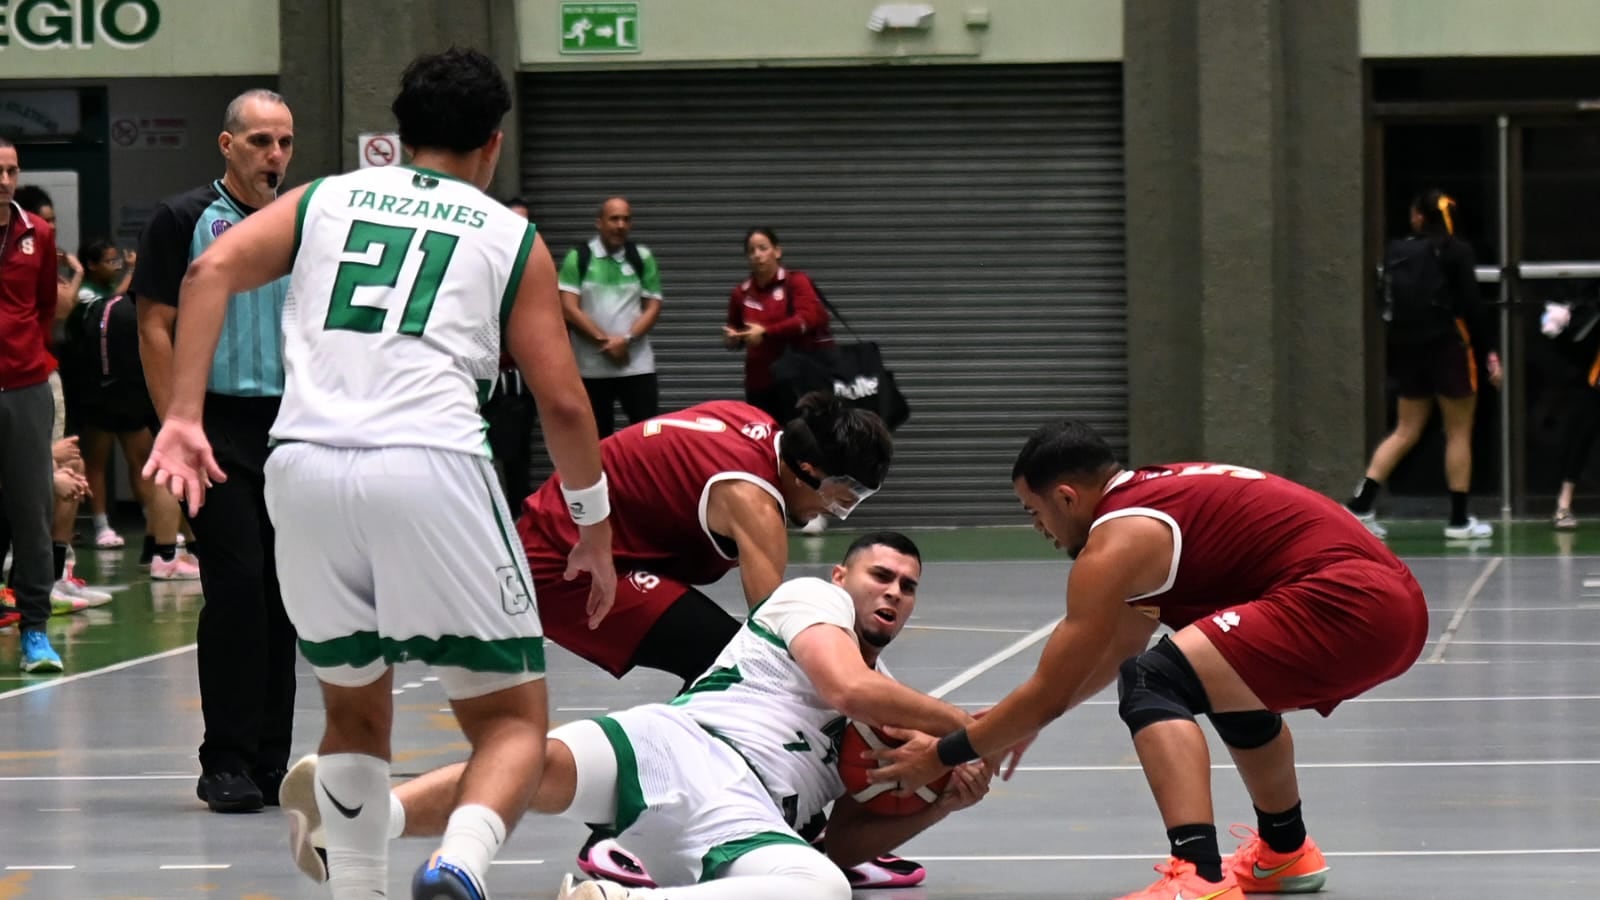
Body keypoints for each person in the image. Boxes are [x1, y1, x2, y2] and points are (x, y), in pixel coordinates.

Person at [143, 48, 615, 900]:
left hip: (304, 468)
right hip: (432, 462)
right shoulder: (509, 234)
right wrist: (594, 524)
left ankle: (358, 888)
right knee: (512, 720)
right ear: (493, 143)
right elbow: (565, 404)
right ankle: (458, 865)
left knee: (355, 707)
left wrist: (181, 414)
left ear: (399, 134)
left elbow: (208, 272)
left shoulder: (324, 197)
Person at [870, 420, 1431, 900]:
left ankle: (1198, 873)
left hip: (1349, 601)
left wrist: (940, 756)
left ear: (1066, 497)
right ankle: (1285, 851)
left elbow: (1059, 687)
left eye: (1034, 512)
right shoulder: (1152, 498)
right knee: (1214, 678)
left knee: (1154, 681)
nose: (1038, 528)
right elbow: (1114, 649)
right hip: (1391, 604)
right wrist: (1014, 725)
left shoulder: (1116, 541)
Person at [281, 533, 992, 900]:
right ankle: (357, 819)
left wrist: (940, 800)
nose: (893, 593)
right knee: (532, 763)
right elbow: (846, 688)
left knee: (821, 885)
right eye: (881, 576)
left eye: (908, 587)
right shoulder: (813, 600)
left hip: (743, 815)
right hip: (680, 738)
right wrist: (962, 727)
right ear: (843, 577)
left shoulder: (899, 712)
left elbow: (841, 840)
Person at [518, 393, 919, 890]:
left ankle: (771, 825)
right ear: (808, 470)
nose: (834, 514)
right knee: (724, 655)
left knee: (717, 653)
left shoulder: (757, 427)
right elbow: (777, 638)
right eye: (839, 498)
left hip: (590, 541)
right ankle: (617, 837)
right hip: (567, 564)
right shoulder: (753, 501)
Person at [135, 87, 298, 813]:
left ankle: (270, 759)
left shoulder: (302, 224)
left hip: (290, 426)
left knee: (284, 595)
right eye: (261, 141)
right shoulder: (182, 219)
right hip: (212, 425)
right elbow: (154, 325)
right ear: (228, 146)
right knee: (236, 583)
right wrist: (179, 422)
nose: (275, 155)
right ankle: (224, 759)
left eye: (284, 141)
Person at [1347, 190, 1501, 540]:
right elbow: (1473, 307)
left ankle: (1360, 505)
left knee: (1405, 430)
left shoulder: (1398, 250)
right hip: (1450, 349)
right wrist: (1489, 353)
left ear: (1418, 217)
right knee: (1458, 432)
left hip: (1409, 349)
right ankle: (1459, 521)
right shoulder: (1457, 251)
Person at [0, 138, 66, 673]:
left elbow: (45, 306)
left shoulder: (38, 233)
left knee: (32, 510)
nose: (4, 181)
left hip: (25, 387)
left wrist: (27, 356)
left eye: (11, 171)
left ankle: (36, 632)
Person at [559, 196, 663, 437]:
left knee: (647, 437)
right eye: (614, 219)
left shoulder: (642, 257)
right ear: (599, 222)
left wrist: (626, 340)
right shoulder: (578, 257)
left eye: (626, 219)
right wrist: (606, 342)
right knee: (596, 441)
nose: (620, 225)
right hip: (590, 370)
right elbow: (568, 307)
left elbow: (653, 306)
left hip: (636, 367)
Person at [723, 227, 832, 425]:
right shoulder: (741, 294)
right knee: (765, 437)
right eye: (752, 251)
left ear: (777, 251)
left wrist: (766, 332)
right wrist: (733, 339)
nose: (758, 255)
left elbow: (808, 319)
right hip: (759, 383)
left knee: (801, 434)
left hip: (798, 380)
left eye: (763, 248)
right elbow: (736, 329)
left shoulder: (796, 282)